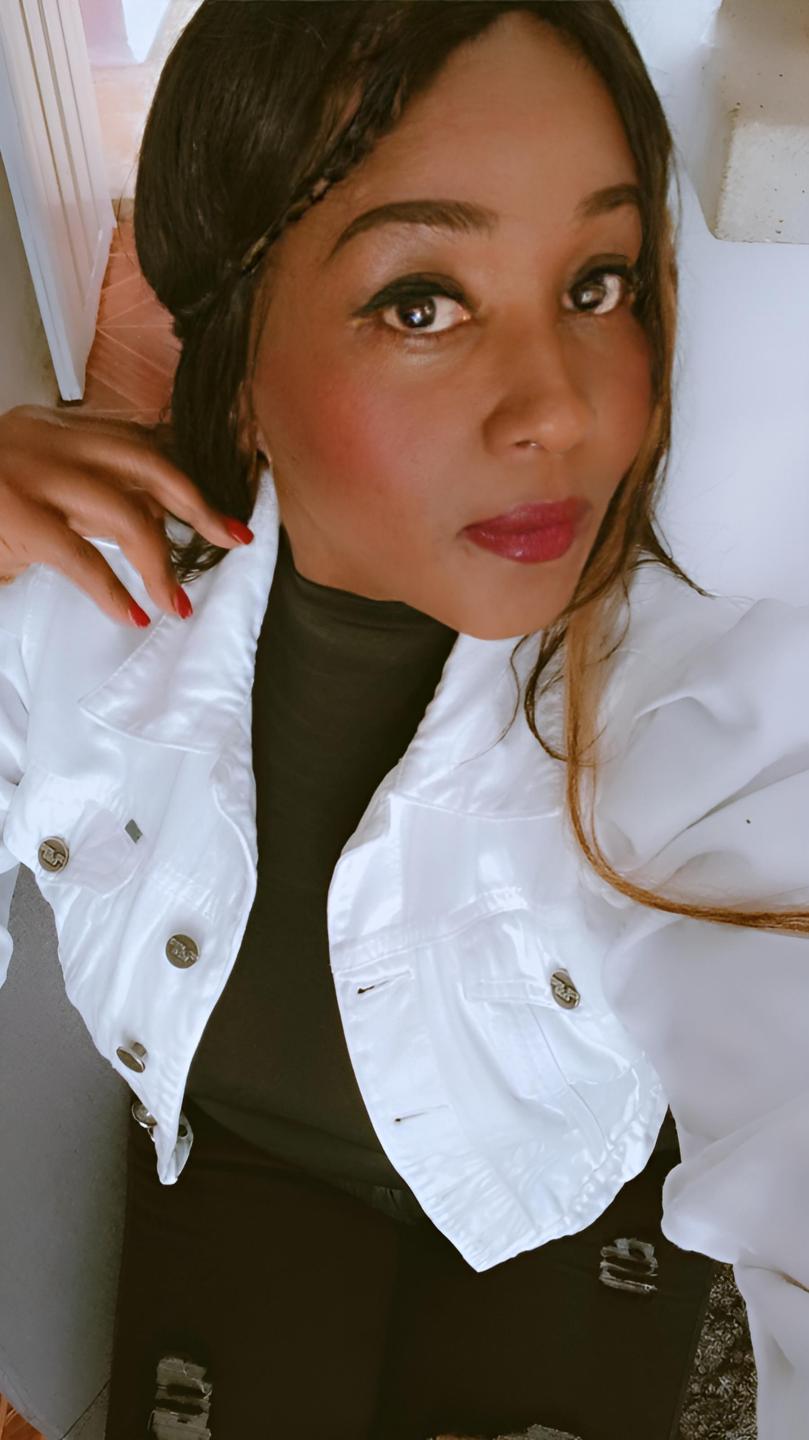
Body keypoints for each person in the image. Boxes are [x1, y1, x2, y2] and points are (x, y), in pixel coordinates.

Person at [0, 3, 807, 1438]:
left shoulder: (691, 700)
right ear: (236, 348)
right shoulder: (76, 618)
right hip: (238, 1166)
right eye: (423, 302)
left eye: (599, 283)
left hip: (557, 1192)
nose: (559, 412)